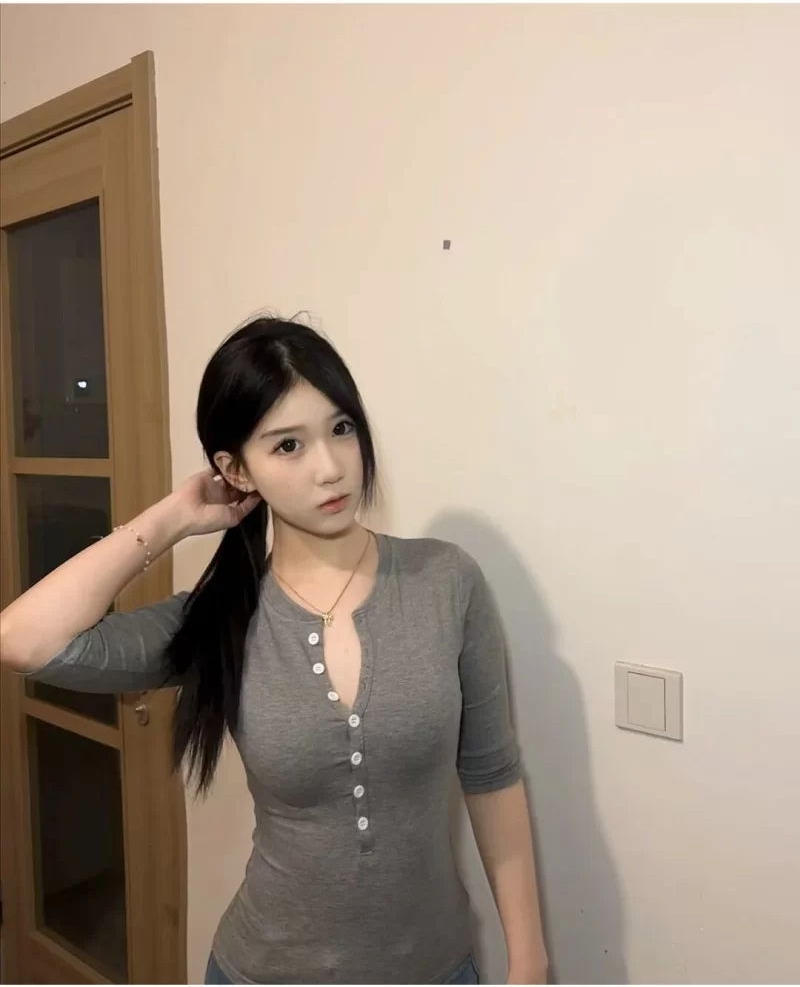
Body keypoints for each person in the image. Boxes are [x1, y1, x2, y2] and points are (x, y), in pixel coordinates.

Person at [0, 316, 548, 986]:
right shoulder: (219, 619)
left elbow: (492, 776)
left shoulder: (447, 581)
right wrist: (173, 518)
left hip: (436, 970)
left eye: (341, 428)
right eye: (288, 445)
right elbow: (22, 640)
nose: (331, 467)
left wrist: (529, 962)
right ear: (236, 468)